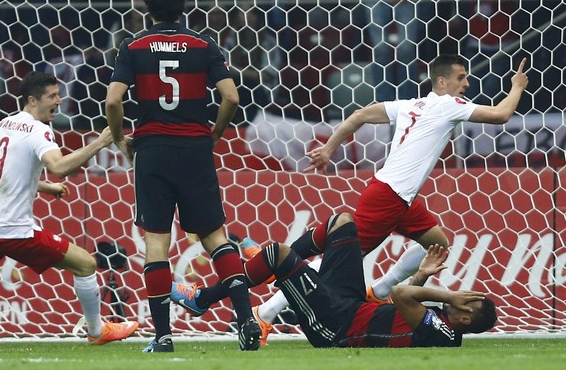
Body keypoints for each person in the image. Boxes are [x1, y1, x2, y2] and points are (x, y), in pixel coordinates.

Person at [175, 54, 528, 344]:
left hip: (400, 197)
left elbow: (359, 116)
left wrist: (329, 147)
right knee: (331, 267)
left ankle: (374, 287)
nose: (467, 83)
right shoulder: (450, 105)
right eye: (461, 77)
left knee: (436, 244)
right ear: (442, 82)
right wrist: (516, 88)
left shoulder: (411, 105)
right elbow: (501, 115)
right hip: (388, 197)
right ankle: (263, 314)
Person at [0, 71, 138, 348]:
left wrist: (42, 186)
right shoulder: (40, 130)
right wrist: (101, 142)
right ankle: (96, 330)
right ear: (32, 100)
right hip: (13, 229)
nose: (59, 100)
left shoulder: (5, 123)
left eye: (58, 94)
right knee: (86, 263)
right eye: (52, 96)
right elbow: (60, 167)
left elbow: (7, 174)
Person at [104, 0, 261, 353]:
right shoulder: (203, 44)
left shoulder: (134, 46)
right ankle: (246, 322)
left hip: (153, 151)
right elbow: (232, 97)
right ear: (183, 3)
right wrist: (215, 134)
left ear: (146, 4)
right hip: (194, 150)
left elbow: (112, 100)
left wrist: (123, 140)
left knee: (156, 243)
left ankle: (163, 337)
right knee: (217, 239)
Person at [180, 212, 498, 347]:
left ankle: (204, 299)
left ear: (466, 317)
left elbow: (402, 294)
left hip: (334, 326)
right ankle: (271, 267)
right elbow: (404, 305)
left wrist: (446, 296)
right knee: (343, 223)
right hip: (351, 305)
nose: (461, 294)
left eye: (466, 299)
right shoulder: (439, 321)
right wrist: (424, 275)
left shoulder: (443, 334)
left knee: (277, 253)